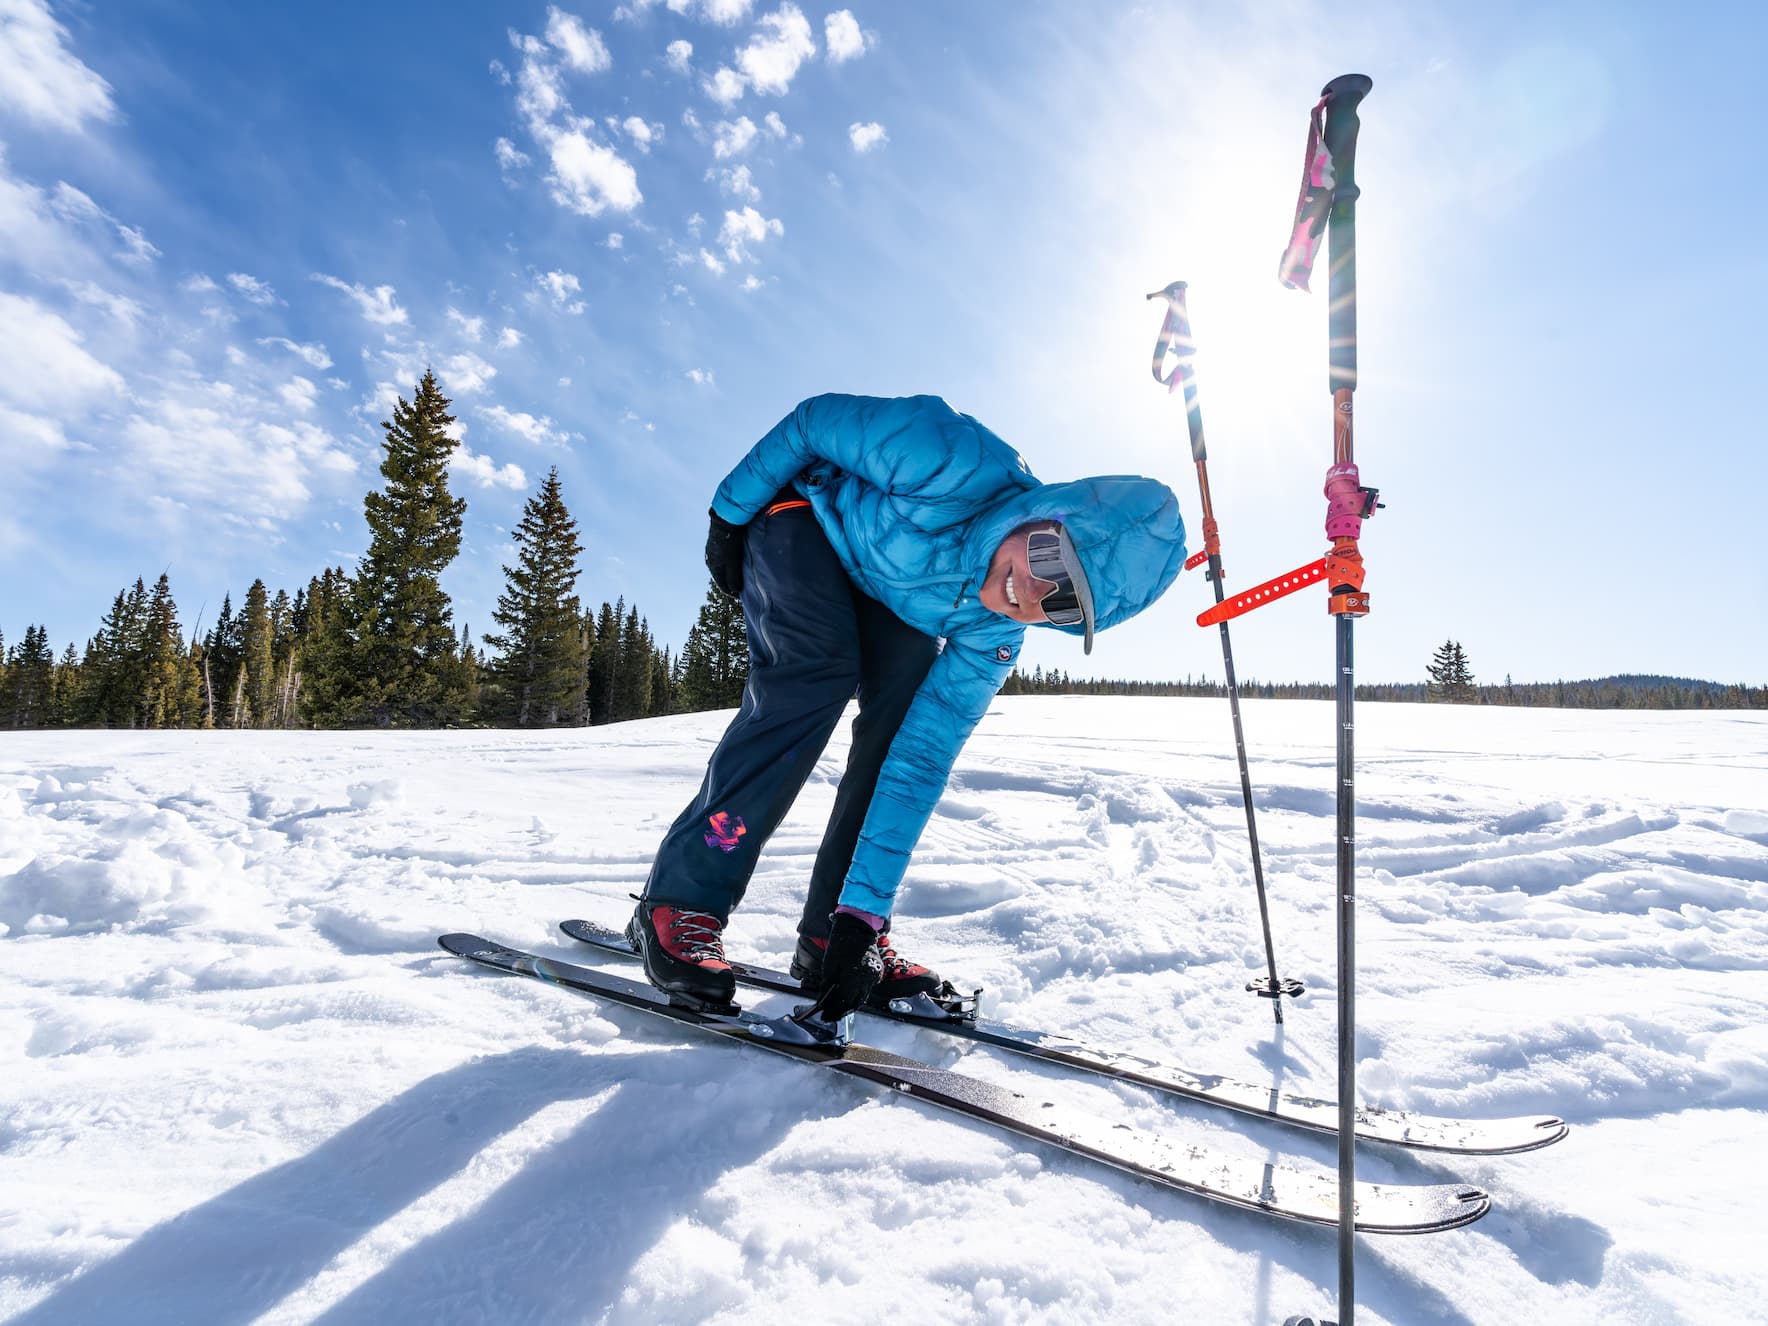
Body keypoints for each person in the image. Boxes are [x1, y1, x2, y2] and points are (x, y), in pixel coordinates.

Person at [628, 393, 1186, 1021]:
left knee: (903, 715)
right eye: (1051, 558)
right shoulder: (950, 460)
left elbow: (919, 762)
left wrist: (860, 920)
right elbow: (814, 423)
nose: (1033, 592)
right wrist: (728, 514)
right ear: (1044, 513)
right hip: (802, 513)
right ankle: (681, 900)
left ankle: (827, 933)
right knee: (816, 673)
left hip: (878, 586)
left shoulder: (989, 634)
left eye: (1064, 604)